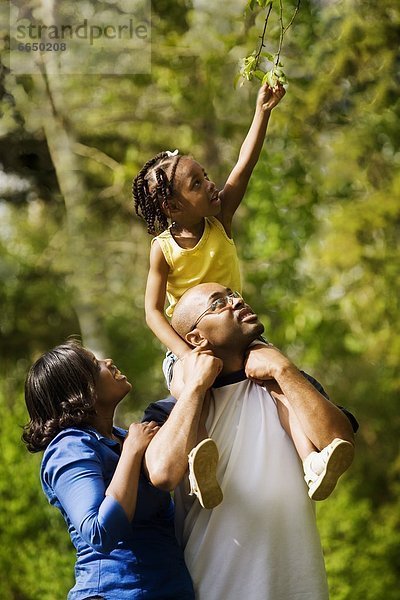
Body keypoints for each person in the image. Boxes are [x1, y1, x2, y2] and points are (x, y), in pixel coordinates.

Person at [142, 283, 359, 600]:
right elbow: (162, 472)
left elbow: (338, 441)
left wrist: (282, 368)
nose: (236, 301)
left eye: (233, 295)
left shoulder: (289, 386)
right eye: (218, 303)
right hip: (216, 590)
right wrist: (194, 388)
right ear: (196, 338)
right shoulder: (174, 410)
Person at [132, 83, 288, 508]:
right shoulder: (162, 249)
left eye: (204, 176)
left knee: (279, 375)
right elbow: (151, 312)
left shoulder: (223, 219)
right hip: (192, 342)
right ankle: (200, 465)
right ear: (174, 208)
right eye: (197, 184)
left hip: (237, 332)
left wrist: (263, 111)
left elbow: (245, 164)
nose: (211, 183)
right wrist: (184, 355)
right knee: (188, 389)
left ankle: (312, 455)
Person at [22, 340, 220, 600]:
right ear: (79, 391)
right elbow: (99, 531)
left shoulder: (123, 437)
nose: (108, 362)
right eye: (95, 366)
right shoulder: (70, 446)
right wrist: (131, 452)